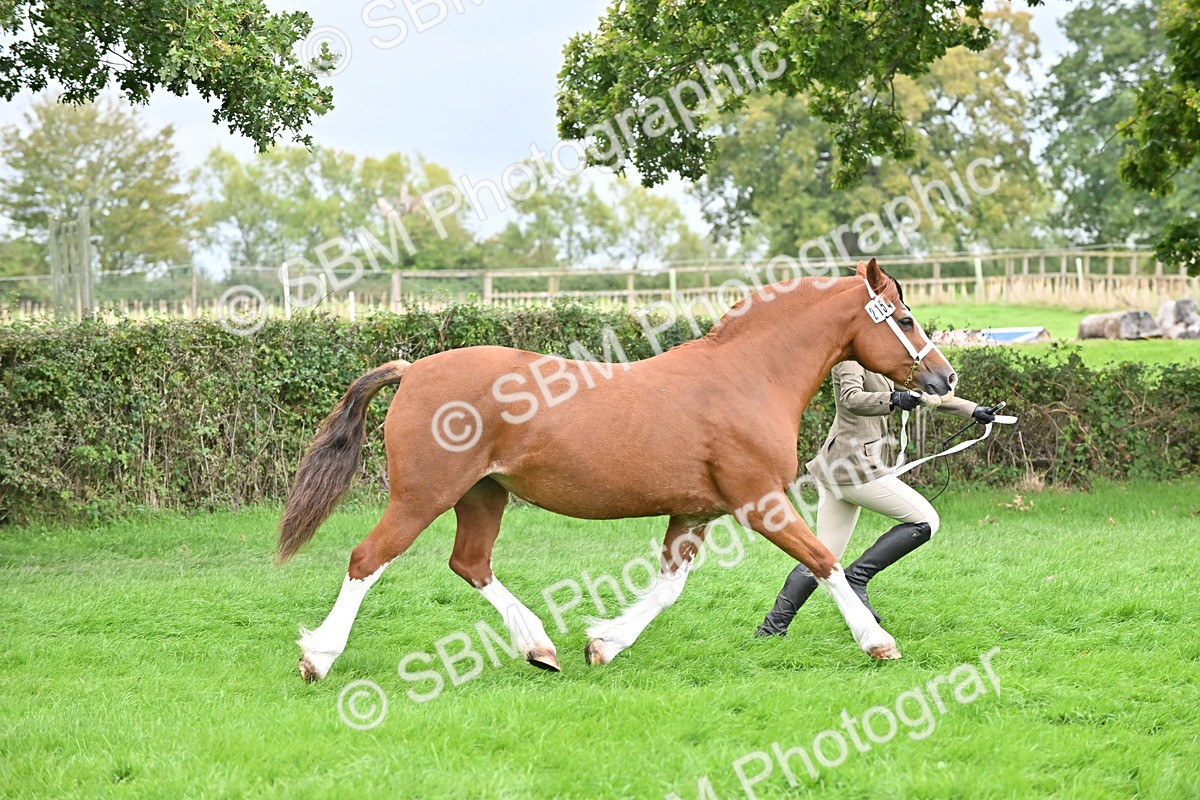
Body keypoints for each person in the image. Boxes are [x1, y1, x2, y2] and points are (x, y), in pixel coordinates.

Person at [755, 359, 998, 636]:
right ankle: (857, 576)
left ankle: (771, 629)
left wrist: (972, 410)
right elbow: (851, 398)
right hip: (854, 469)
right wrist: (894, 399)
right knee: (926, 520)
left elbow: (921, 394)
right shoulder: (849, 360)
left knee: (822, 555)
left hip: (842, 469)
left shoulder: (878, 361)